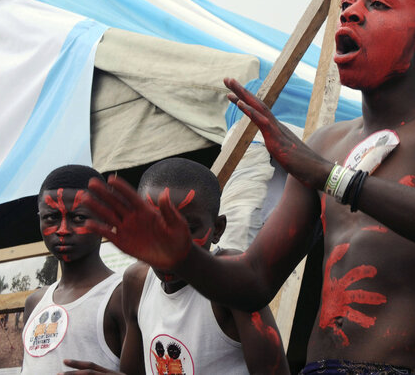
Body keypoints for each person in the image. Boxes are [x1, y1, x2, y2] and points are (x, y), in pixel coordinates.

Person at [82, 0, 415, 373]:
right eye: (347, 4)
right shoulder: (327, 142)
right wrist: (184, 259)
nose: (353, 11)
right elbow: (255, 280)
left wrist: (329, 176)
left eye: (378, 4)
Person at [65, 158, 289, 375]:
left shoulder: (233, 280)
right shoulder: (137, 282)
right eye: (154, 228)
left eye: (187, 230)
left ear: (218, 229)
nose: (167, 246)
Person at [21, 165, 124, 374]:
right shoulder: (35, 303)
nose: (62, 230)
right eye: (51, 217)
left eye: (78, 218)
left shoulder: (121, 295)